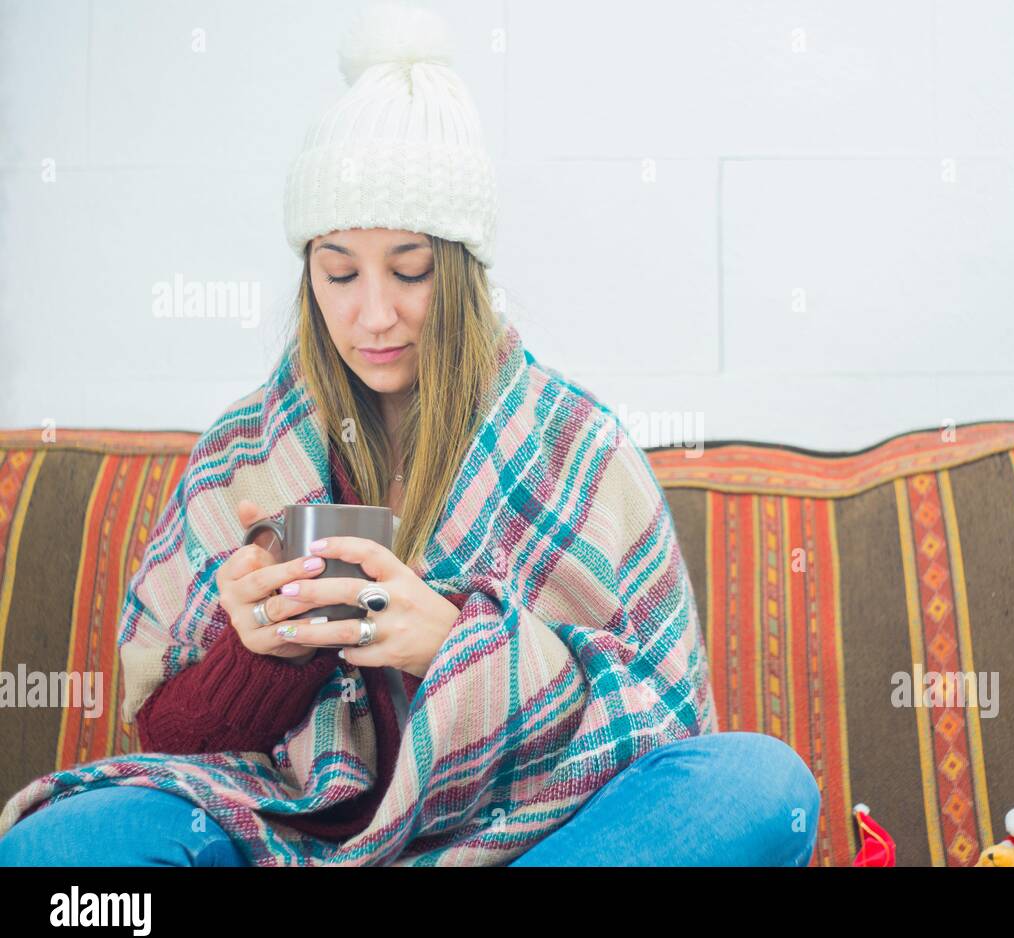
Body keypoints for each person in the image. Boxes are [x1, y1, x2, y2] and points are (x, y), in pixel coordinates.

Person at [0, 1, 820, 867]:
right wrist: (263, 652)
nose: (375, 314)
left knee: (760, 788)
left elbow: (655, 733)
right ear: (307, 267)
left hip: (528, 840)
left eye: (412, 269)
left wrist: (457, 649)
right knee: (60, 852)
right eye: (340, 271)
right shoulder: (245, 454)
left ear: (462, 270)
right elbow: (169, 737)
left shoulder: (574, 445)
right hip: (292, 832)